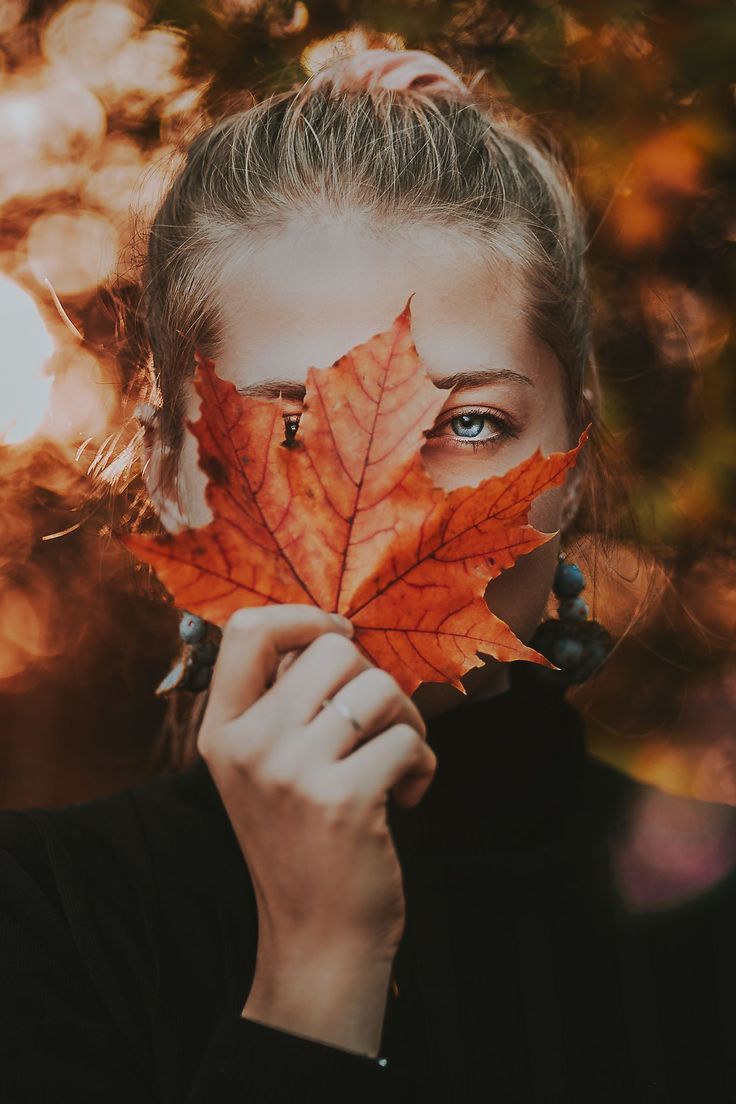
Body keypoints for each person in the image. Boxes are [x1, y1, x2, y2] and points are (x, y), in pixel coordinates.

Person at [2, 46, 735, 1104]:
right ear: (169, 474)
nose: (385, 504)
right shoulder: (42, 921)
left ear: (574, 456)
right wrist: (315, 968)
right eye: (290, 426)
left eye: (471, 423)